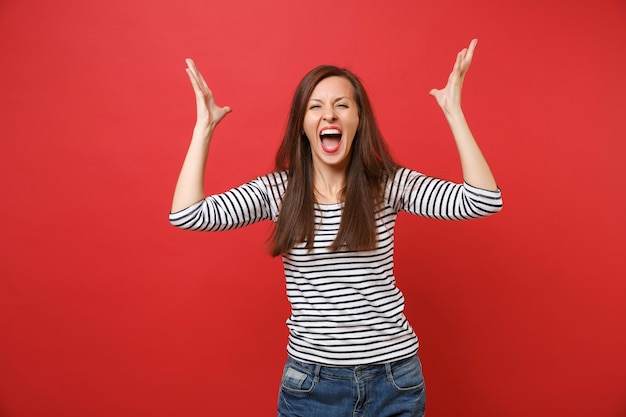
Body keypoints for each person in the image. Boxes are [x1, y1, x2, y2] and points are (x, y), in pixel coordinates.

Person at [170, 39, 502, 417]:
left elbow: (482, 201)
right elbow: (187, 214)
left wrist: (454, 113)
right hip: (311, 385)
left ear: (359, 121)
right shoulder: (278, 192)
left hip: (393, 379)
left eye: (342, 105)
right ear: (303, 125)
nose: (329, 115)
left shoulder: (388, 185)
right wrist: (204, 128)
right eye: (316, 107)